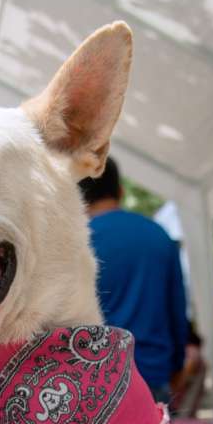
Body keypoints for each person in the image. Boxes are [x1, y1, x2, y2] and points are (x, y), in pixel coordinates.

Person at [79, 157, 188, 404]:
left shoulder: (76, 241)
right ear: (120, 191)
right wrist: (178, 366)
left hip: (93, 378)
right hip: (151, 374)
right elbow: (177, 310)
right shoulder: (158, 236)